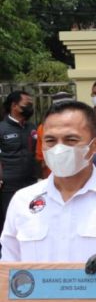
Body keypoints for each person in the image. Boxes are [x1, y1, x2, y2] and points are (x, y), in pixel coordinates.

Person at [0, 99, 96, 269]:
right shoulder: (23, 200)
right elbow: (8, 268)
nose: (58, 149)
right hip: (39, 296)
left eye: (71, 140)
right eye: (50, 140)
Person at [0, 91, 37, 242]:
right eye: (26, 105)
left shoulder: (31, 127)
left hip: (31, 183)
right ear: (14, 106)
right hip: (9, 184)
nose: (30, 108)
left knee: (31, 219)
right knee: (10, 221)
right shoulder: (2, 128)